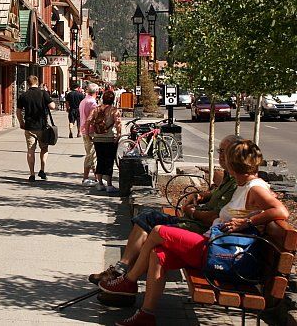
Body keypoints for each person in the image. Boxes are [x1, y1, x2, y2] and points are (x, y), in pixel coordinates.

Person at [101, 139, 289, 326]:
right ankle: (146, 315)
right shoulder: (243, 185)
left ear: (232, 165)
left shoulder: (254, 188)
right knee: (158, 255)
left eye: (225, 156)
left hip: (222, 253)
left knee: (158, 231)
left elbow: (281, 211)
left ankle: (129, 281)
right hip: (217, 247)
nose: (221, 159)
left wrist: (245, 222)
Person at [89, 135, 241, 285]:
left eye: (224, 151)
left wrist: (192, 212)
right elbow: (215, 194)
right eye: (220, 151)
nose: (220, 156)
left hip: (200, 229)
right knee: (146, 218)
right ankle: (121, 271)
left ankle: (124, 277)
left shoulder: (237, 183)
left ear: (234, 155)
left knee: (154, 231)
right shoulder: (229, 176)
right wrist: (200, 196)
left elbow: (214, 217)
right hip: (193, 221)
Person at [16, 75, 56, 182]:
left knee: (30, 150)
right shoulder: (43, 93)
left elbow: (18, 112)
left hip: (29, 126)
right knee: (44, 149)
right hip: (42, 126)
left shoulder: (23, 95)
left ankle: (32, 174)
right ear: (37, 82)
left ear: (28, 83)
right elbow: (52, 106)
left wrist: (21, 122)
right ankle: (42, 170)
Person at [87, 90, 122, 193]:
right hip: (109, 139)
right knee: (109, 161)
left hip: (97, 139)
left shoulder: (96, 109)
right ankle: (109, 185)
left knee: (100, 160)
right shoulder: (114, 110)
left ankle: (100, 183)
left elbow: (88, 121)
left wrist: (88, 134)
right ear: (113, 99)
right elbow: (118, 123)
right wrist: (119, 134)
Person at [79, 83, 99, 185]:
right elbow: (91, 119)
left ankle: (96, 178)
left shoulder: (83, 101)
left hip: (84, 130)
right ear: (97, 92)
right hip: (90, 131)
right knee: (91, 155)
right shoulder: (92, 103)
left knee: (91, 154)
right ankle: (87, 178)